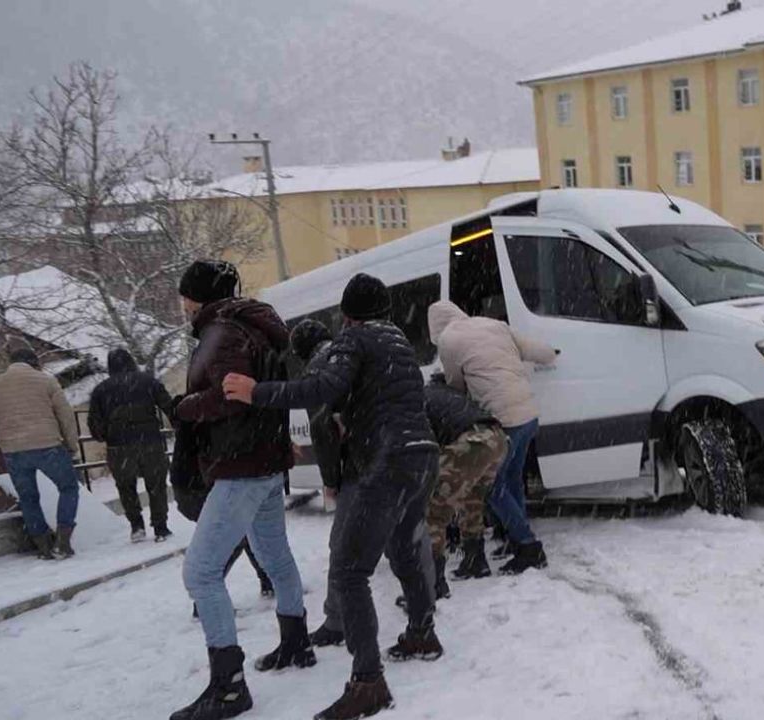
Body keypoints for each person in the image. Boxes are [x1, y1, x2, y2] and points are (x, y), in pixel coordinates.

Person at [223, 274, 440, 720]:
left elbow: (320, 389)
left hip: (385, 460)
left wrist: (253, 392)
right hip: (422, 456)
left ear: (346, 314)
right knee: (404, 548)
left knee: (348, 572)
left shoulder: (355, 338)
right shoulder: (399, 341)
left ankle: (368, 683)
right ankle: (421, 632)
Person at [169, 260, 312, 720]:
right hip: (267, 461)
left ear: (200, 296)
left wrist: (184, 407)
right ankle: (296, 642)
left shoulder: (223, 331)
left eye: (186, 296)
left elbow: (231, 396)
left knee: (201, 572)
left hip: (239, 465)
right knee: (274, 556)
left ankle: (229, 688)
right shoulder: (259, 324)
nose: (184, 305)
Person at [426, 300, 557, 575]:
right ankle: (514, 538)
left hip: (502, 420)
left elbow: (456, 387)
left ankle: (528, 546)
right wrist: (552, 354)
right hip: (528, 415)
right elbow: (536, 350)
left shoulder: (449, 340)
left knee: (492, 488)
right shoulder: (493, 324)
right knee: (511, 480)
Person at [0, 348, 81, 560]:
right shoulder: (46, 381)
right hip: (47, 445)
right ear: (34, 363)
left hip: (13, 451)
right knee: (68, 487)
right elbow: (65, 415)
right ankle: (63, 542)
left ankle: (43, 546)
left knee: (28, 498)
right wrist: (71, 444)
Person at [286, 318, 349, 650]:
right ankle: (424, 597)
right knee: (402, 531)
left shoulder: (316, 372)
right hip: (392, 453)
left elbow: (322, 430)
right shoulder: (348, 353)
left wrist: (331, 482)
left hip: (359, 463)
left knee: (342, 547)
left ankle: (337, 622)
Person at [169, 415, 276, 604]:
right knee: (232, 538)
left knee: (245, 529)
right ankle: (204, 598)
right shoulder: (212, 413)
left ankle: (268, 580)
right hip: (198, 487)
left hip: (190, 486)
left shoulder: (196, 410)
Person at [424, 374, 509, 586]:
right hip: (497, 439)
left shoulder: (420, 401)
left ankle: (431, 584)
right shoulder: (451, 395)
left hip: (471, 443)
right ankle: (475, 561)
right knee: (472, 500)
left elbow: (426, 446)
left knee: (434, 511)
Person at [88, 347, 175, 543]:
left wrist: (106, 435)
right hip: (150, 441)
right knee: (157, 485)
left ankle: (136, 526)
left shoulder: (101, 390)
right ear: (131, 361)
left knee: (126, 487)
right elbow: (169, 407)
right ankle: (160, 527)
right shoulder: (147, 382)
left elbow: (95, 425)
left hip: (119, 446)